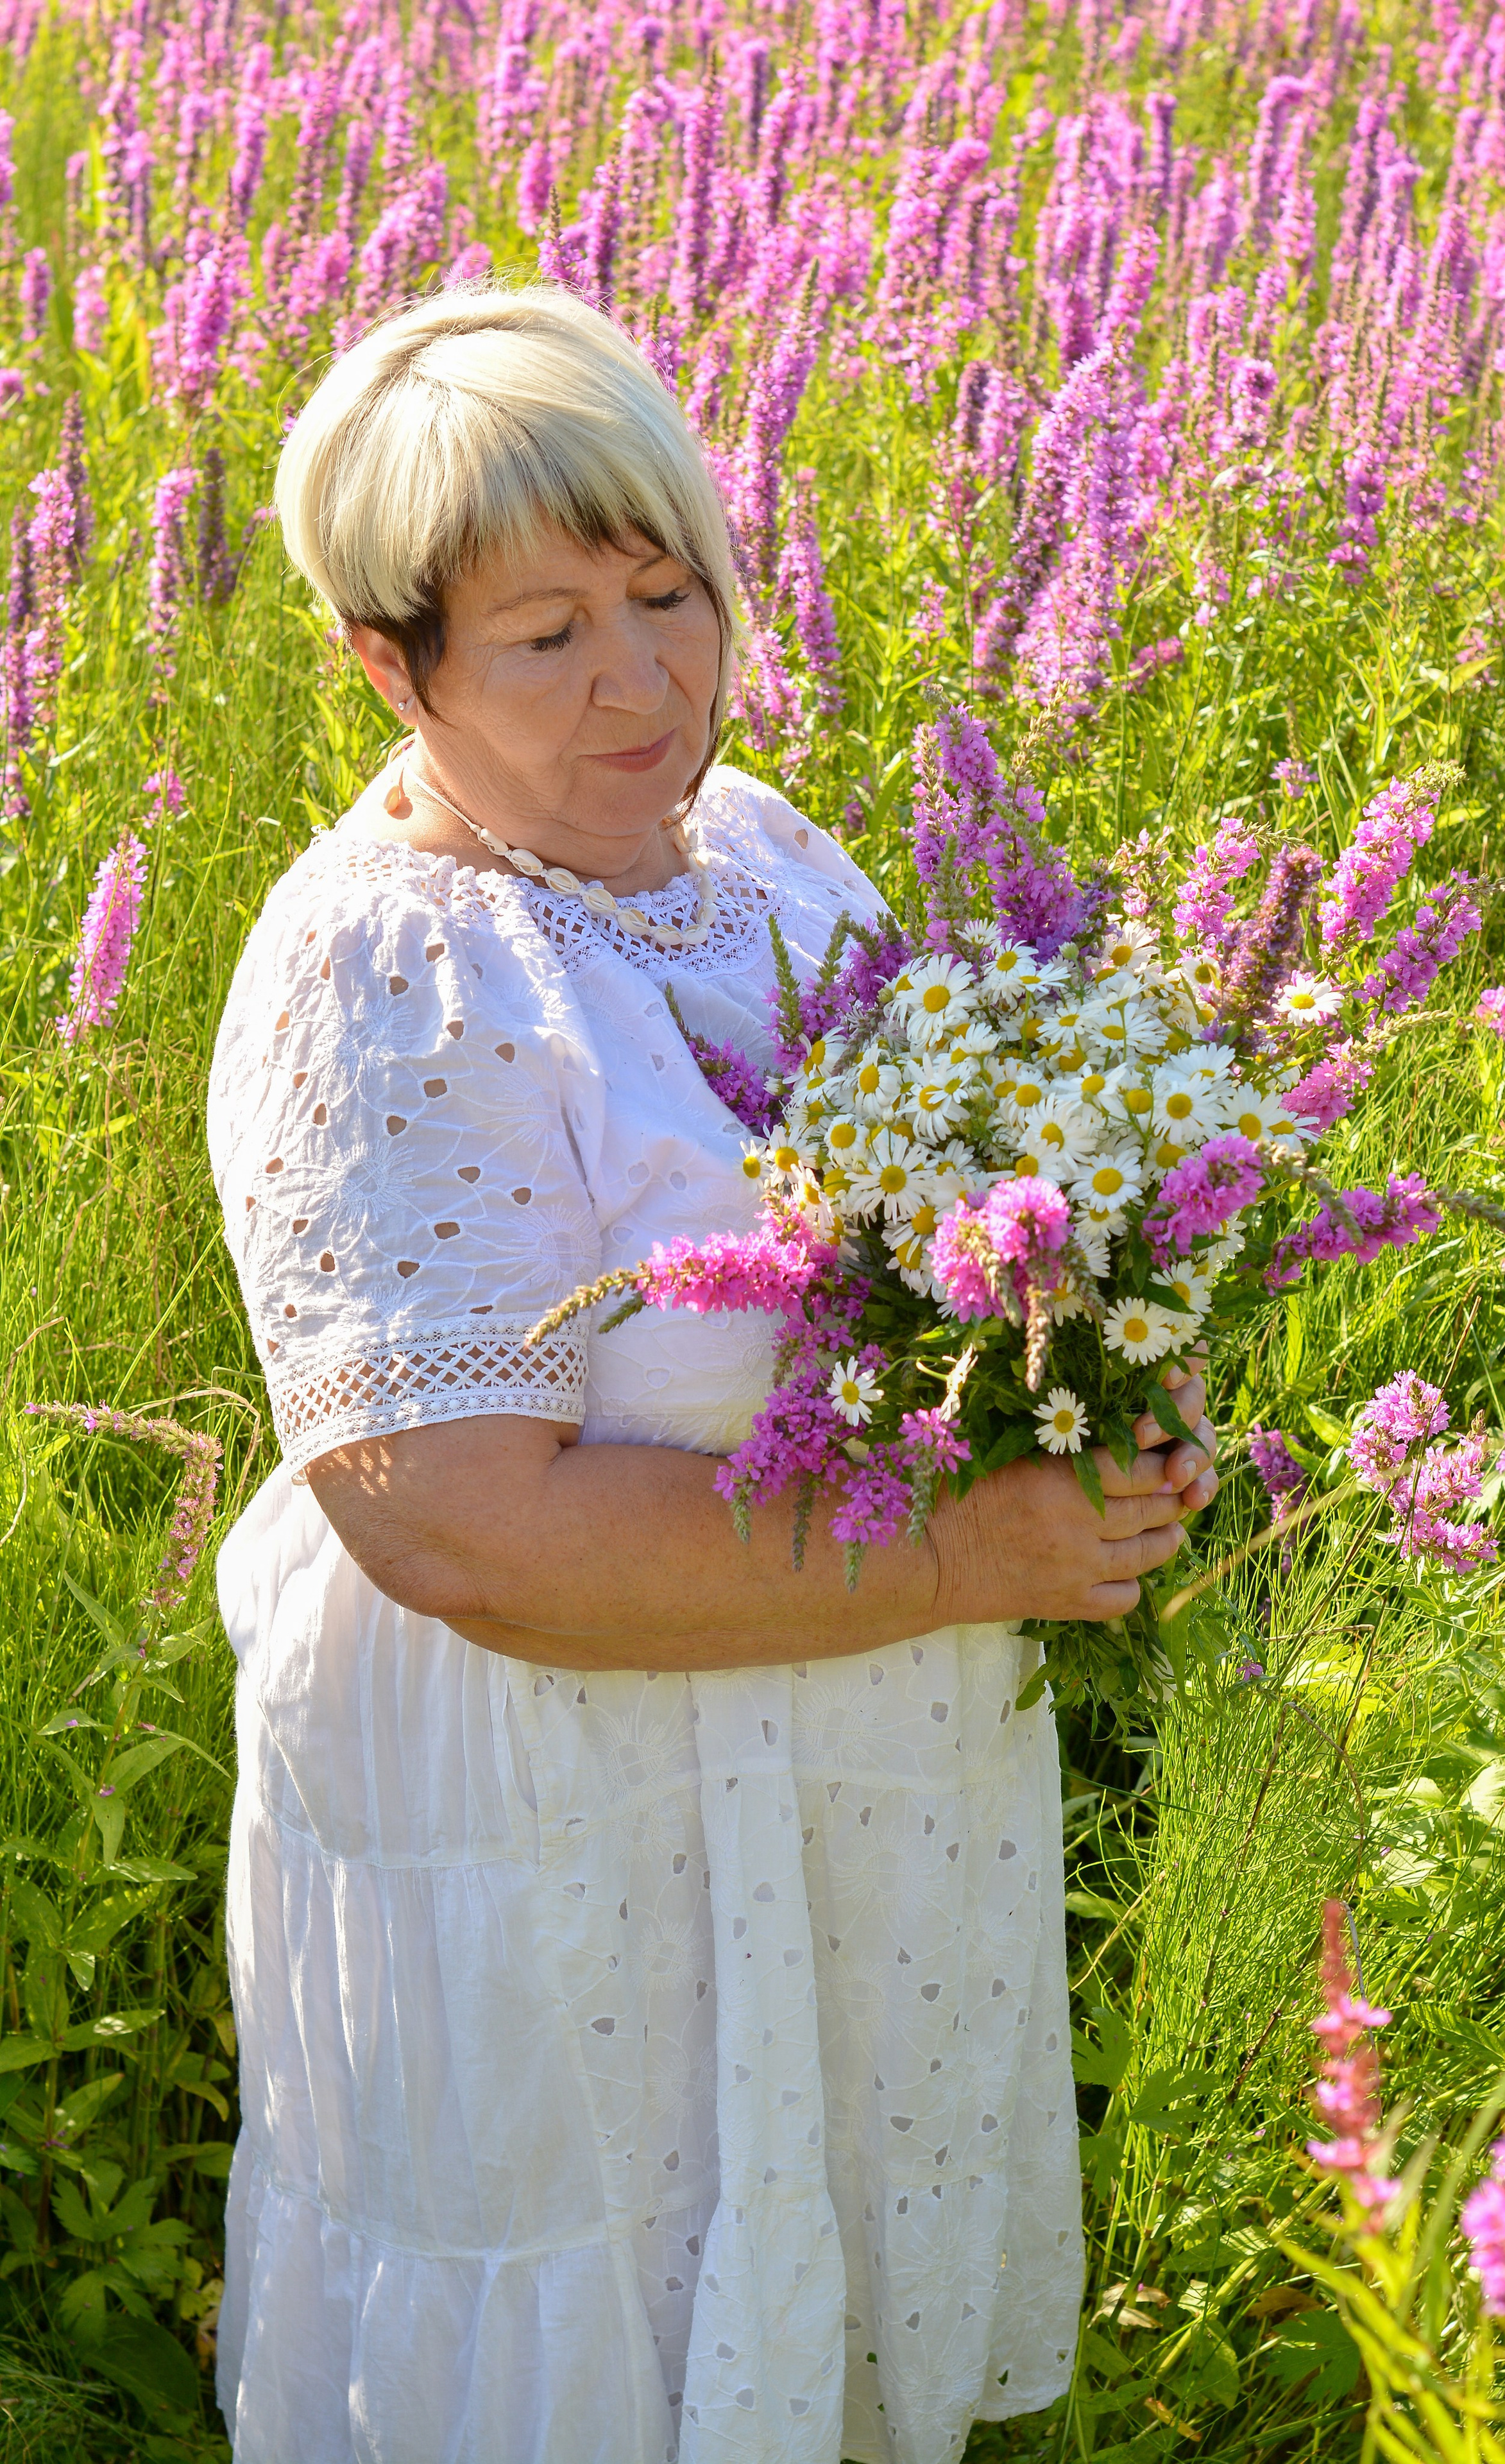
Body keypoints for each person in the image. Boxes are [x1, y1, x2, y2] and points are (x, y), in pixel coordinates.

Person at [207, 282, 1218, 2464]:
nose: (643, 680)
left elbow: (948, 1234)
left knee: (803, 2311)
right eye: (543, 632)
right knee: (590, 2328)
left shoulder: (757, 856)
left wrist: (1099, 1383)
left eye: (672, 594)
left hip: (831, 1784)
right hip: (559, 1822)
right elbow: (460, 1531)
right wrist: (969, 1556)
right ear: (388, 663)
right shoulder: (391, 967)